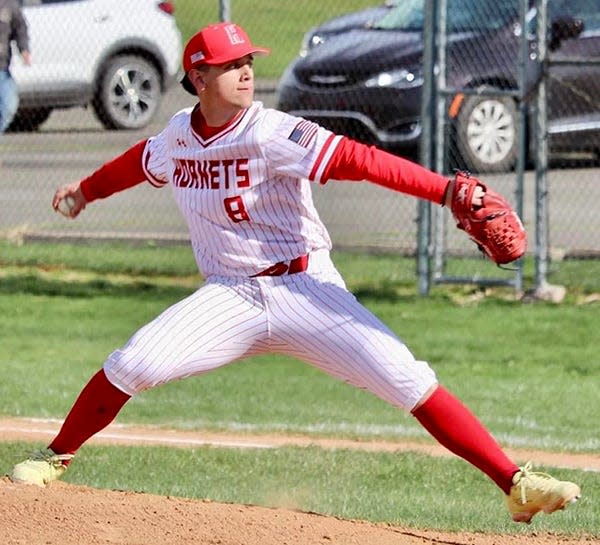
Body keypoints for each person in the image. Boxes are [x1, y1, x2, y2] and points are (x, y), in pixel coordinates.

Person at [11, 22, 580, 524]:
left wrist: (445, 190)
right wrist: (84, 192)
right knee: (131, 362)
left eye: (248, 62)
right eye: (231, 65)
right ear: (199, 76)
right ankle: (54, 455)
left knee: (407, 378)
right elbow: (135, 163)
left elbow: (361, 161)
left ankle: (515, 484)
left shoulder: (272, 130)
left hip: (307, 288)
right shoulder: (178, 137)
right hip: (229, 296)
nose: (245, 73)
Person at [0, 0, 31, 136]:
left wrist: (24, 49)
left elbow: (20, 28)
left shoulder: (8, 5)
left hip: (2, 69)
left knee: (9, 105)